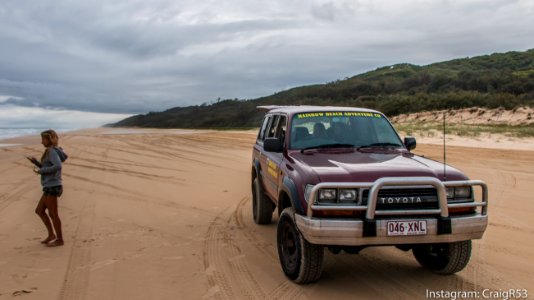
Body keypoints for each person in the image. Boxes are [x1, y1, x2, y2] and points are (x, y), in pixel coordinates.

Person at [28, 130, 68, 247]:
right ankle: (51, 235)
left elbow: (57, 166)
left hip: (53, 186)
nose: (41, 142)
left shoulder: (51, 151)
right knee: (39, 210)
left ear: (49, 139)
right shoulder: (51, 151)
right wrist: (37, 163)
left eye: (43, 139)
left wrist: (41, 170)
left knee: (53, 213)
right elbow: (49, 166)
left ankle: (59, 239)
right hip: (49, 185)